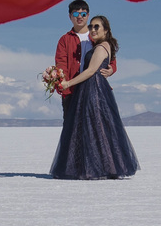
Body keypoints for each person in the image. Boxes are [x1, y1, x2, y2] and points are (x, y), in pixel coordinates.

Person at [49, 15, 139, 179]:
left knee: (94, 128)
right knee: (96, 129)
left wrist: (68, 84)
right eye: (91, 27)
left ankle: (98, 168)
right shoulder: (102, 46)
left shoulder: (101, 47)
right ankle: (99, 167)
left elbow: (90, 71)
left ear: (106, 29)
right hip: (92, 88)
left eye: (97, 26)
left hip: (94, 90)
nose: (93, 29)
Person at [50, 0, 115, 118]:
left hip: (94, 90)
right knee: (71, 128)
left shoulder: (96, 36)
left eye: (83, 14)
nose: (80, 17)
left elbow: (110, 58)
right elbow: (61, 63)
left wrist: (111, 70)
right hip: (72, 90)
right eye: (75, 14)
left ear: (88, 15)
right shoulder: (65, 40)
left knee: (95, 127)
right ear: (70, 16)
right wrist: (62, 82)